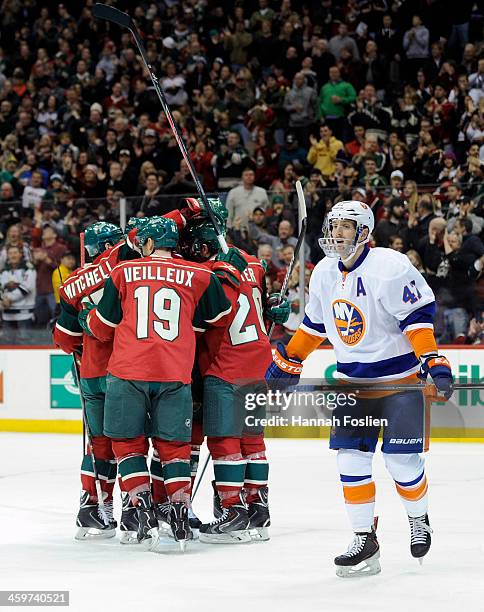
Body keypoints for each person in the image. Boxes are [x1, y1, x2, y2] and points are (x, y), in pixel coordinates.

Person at [266, 200, 453, 577]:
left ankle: (419, 518)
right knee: (349, 459)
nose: (336, 233)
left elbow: (416, 319)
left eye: (345, 227)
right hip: (352, 384)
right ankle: (364, 538)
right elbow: (315, 327)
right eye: (333, 225)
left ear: (364, 232)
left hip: (400, 382)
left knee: (401, 463)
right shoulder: (322, 272)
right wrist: (291, 359)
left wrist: (432, 360)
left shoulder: (391, 266)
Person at [79, 216, 233, 550]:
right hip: (176, 372)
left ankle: (141, 509)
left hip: (127, 371)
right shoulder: (200, 275)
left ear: (148, 244)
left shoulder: (122, 272)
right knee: (174, 447)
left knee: (127, 443)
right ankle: (178, 510)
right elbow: (220, 317)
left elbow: (104, 325)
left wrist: (85, 319)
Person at [179, 202, 289, 543]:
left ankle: (232, 512)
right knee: (253, 441)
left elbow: (203, 320)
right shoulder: (252, 262)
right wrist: (275, 309)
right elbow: (262, 310)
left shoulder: (204, 271)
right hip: (258, 359)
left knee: (225, 440)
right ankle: (258, 511)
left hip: (224, 362)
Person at [53, 221, 138, 541]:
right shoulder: (124, 264)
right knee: (131, 440)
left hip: (90, 371)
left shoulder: (73, 283)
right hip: (126, 369)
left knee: (98, 443)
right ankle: (133, 509)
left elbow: (63, 339)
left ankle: (92, 507)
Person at [0, 245, 36, 344]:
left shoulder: (29, 269)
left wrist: (9, 299)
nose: (13, 255)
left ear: (21, 254)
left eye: (15, 253)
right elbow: (1, 288)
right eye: (10, 253)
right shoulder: (3, 271)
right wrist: (2, 300)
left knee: (25, 345)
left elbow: (26, 288)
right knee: (7, 345)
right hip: (7, 315)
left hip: (24, 315)